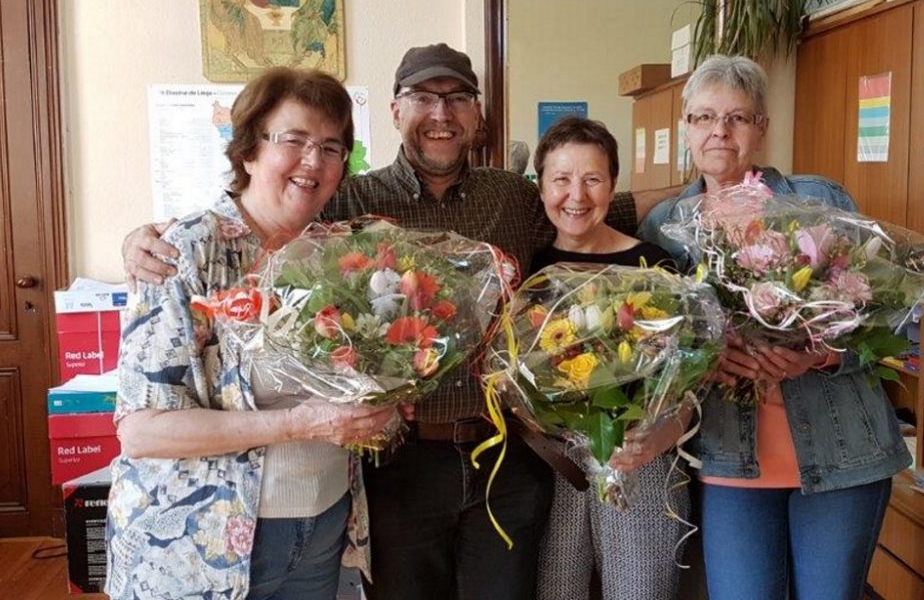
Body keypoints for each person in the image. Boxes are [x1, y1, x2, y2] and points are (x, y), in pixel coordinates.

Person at [121, 43, 675, 600]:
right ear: (395, 111)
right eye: (423, 98)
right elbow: (252, 215)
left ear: (477, 114)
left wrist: (715, 191)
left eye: (458, 98)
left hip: (504, 458)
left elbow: (592, 210)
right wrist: (144, 239)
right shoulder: (344, 204)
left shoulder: (511, 197)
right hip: (397, 466)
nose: (441, 113)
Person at [105, 68, 398, 600]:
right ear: (247, 151)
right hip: (205, 542)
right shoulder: (187, 249)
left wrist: (387, 402)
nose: (314, 160)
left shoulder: (340, 254)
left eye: (332, 147)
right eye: (294, 140)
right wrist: (299, 424)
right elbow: (142, 430)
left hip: (323, 527)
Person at [638, 55, 911, 600]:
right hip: (731, 459)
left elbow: (892, 317)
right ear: (686, 127)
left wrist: (821, 355)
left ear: (761, 128)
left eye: (738, 117)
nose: (721, 130)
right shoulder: (665, 227)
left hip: (842, 450)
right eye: (705, 117)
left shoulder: (820, 201)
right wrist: (699, 361)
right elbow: (653, 343)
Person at [529, 117, 691, 600]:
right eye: (561, 179)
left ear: (613, 187)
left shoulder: (653, 265)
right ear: (540, 188)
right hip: (556, 468)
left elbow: (688, 382)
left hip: (641, 460)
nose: (576, 195)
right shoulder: (530, 269)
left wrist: (656, 438)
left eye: (592, 179)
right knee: (555, 590)